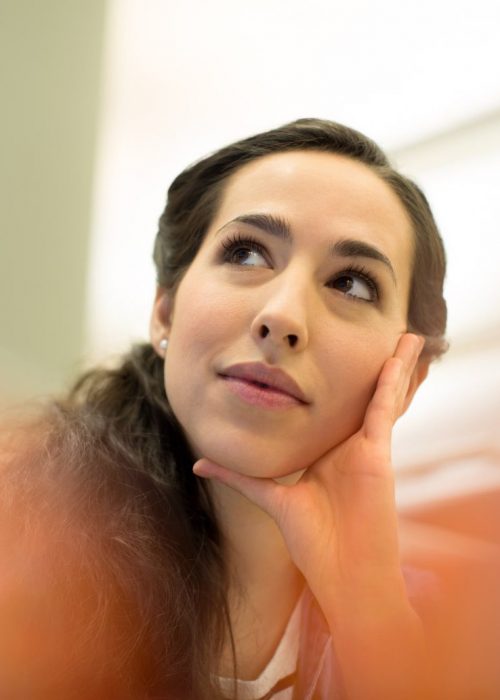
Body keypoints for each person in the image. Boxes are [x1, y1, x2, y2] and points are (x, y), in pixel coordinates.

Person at [0, 118, 447, 699]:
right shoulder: (20, 546)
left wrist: (370, 619)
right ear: (164, 312)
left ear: (405, 377)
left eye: (352, 285)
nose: (283, 316)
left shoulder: (444, 635)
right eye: (247, 252)